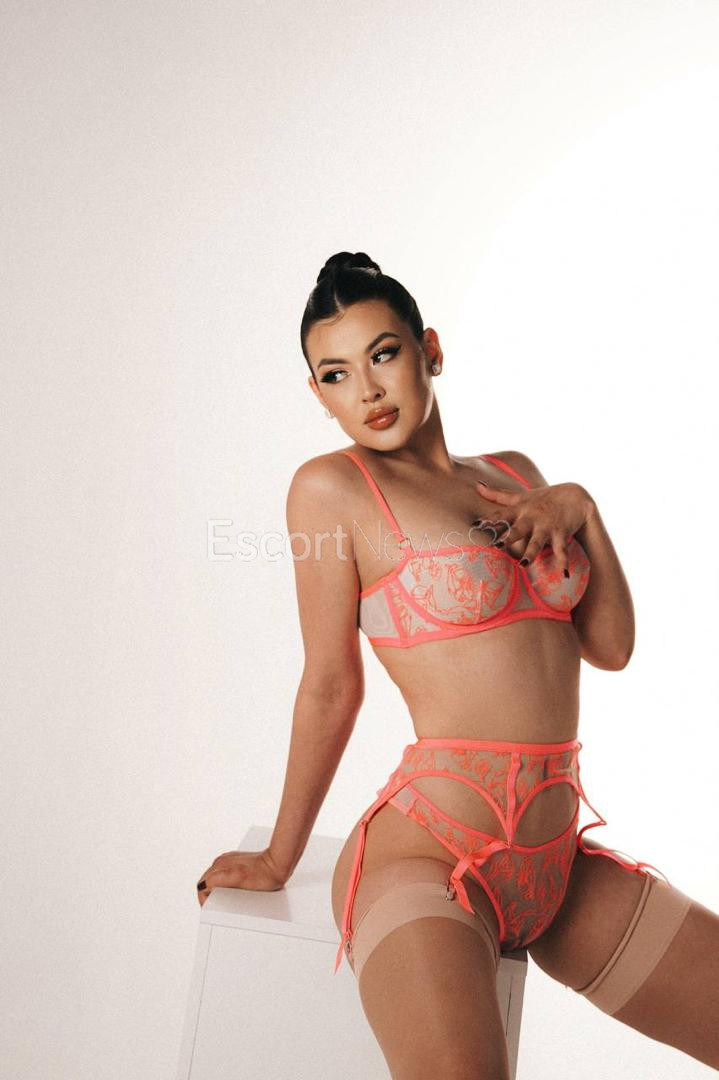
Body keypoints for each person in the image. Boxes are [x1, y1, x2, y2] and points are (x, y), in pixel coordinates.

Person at [195, 252, 719, 1078]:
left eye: (383, 354)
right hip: (430, 854)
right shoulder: (331, 490)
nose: (366, 390)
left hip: (556, 866)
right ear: (318, 395)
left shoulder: (515, 476)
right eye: (335, 375)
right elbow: (330, 685)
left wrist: (582, 507)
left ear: (428, 349)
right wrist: (278, 859)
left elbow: (610, 647)